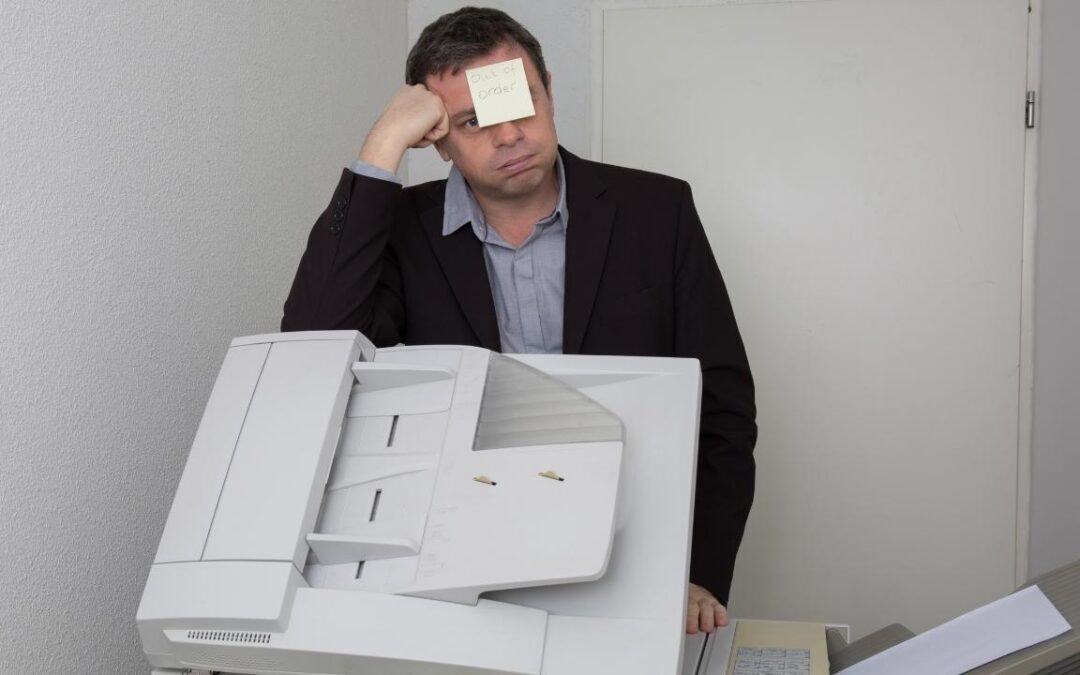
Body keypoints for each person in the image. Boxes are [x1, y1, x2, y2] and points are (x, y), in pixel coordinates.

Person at [282, 6, 756, 635]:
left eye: (520, 103)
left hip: (640, 552)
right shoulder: (401, 231)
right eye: (473, 120)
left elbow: (722, 404)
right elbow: (313, 344)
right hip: (464, 564)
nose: (507, 136)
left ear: (549, 93)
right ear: (437, 139)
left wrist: (700, 572)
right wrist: (382, 145)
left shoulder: (656, 211)